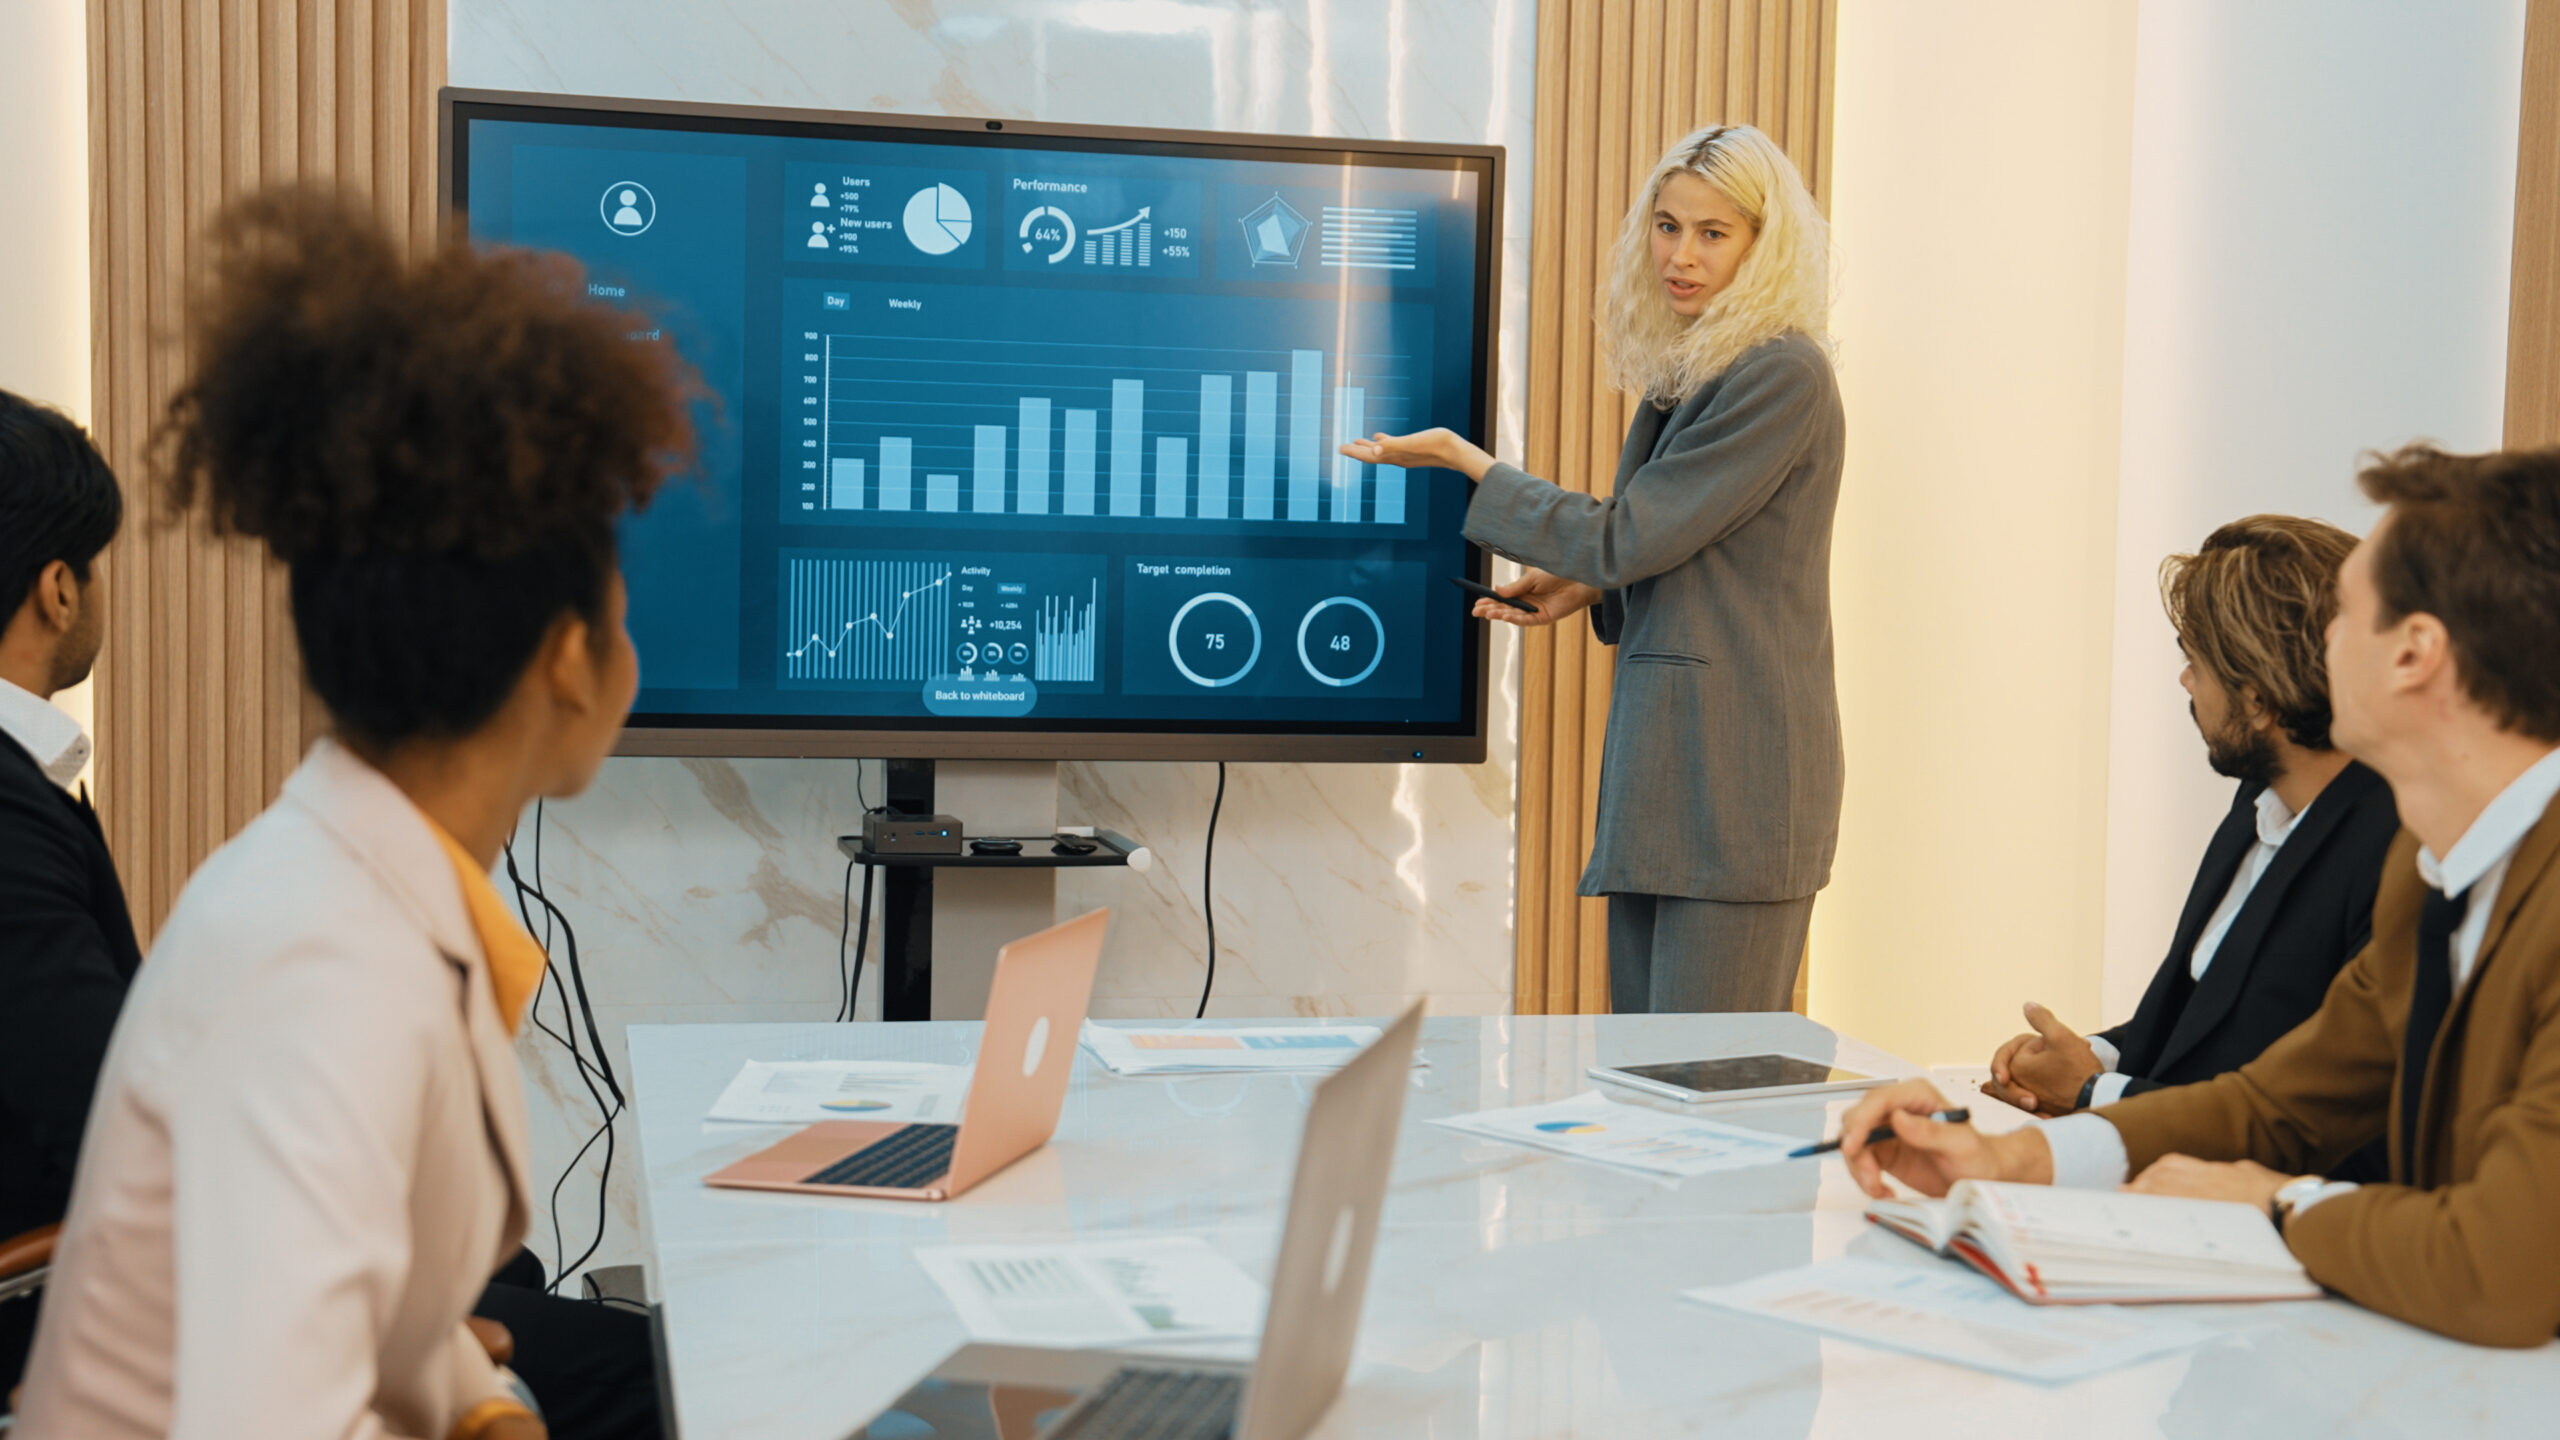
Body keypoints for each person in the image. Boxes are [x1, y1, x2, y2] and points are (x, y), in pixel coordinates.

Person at [16, 187, 694, 1437]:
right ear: (566, 660)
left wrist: (479, 1407)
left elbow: (375, 1312)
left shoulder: (352, 889)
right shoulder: (330, 965)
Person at [1837, 443, 2560, 1348]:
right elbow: (2271, 1105)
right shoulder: (2437, 864)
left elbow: (2503, 1272)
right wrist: (2008, 1157)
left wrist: (2279, 1204)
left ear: (2415, 655)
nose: (2321, 635)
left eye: (2350, 614)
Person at [1343, 123, 1842, 1013]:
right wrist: (1591, 584)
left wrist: (1469, 461)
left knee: (1704, 1097)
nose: (1679, 256)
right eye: (1666, 225)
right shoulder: (1696, 370)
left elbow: (1630, 534)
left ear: (1767, 248)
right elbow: (1679, 547)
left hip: (1736, 783)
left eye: (1713, 233)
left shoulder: (1781, 374)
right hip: (1673, 775)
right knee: (1649, 1091)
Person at [1983, 517, 2399, 1187]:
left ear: (2258, 699)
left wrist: (2092, 1094)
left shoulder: (2396, 855)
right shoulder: (2258, 805)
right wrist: (2084, 1054)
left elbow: (2332, 1126)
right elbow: (2191, 1029)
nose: (2184, 683)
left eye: (2195, 662)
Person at [0, 391, 138, 1406]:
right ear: (57, 589)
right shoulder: (5, 814)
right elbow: (112, 1125)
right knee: (634, 1377)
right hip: (71, 1305)